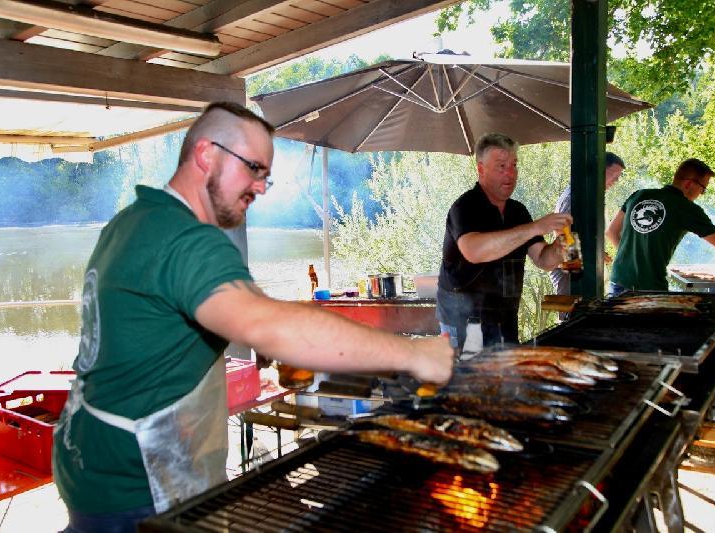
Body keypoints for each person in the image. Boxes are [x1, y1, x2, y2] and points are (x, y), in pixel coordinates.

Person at [52, 102, 454, 532]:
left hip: (89, 462)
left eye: (266, 175)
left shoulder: (135, 220)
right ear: (206, 154)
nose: (261, 187)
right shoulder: (187, 240)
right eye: (253, 169)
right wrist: (413, 354)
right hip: (138, 486)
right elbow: (268, 326)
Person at [436, 133, 572, 351]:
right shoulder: (465, 207)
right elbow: (474, 251)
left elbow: (543, 260)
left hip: (505, 318)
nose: (511, 174)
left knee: (504, 380)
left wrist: (558, 249)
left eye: (514, 165)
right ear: (481, 169)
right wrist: (536, 227)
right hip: (465, 321)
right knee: (471, 381)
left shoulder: (518, 211)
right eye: (501, 166)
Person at [606, 158, 715, 296]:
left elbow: (611, 232)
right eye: (703, 189)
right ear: (689, 184)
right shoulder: (686, 208)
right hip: (649, 289)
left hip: (618, 282)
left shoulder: (639, 195)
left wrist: (634, 256)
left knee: (617, 323)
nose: (701, 194)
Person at [549, 152, 625, 301]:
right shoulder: (575, 195)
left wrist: (596, 253)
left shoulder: (591, 195)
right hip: (569, 272)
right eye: (615, 175)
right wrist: (576, 270)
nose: (616, 180)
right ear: (600, 170)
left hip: (579, 270)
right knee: (571, 320)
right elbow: (562, 232)